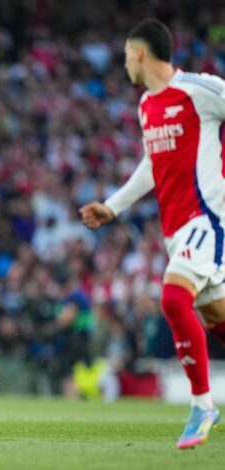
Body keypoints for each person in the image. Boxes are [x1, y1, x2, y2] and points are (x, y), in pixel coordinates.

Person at [80, 18, 225, 449]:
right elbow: (151, 164)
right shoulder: (147, 106)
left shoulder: (199, 89)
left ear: (140, 53)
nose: (125, 63)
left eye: (127, 55)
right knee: (218, 321)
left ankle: (202, 406)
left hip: (208, 219)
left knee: (173, 297)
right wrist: (112, 206)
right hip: (176, 229)